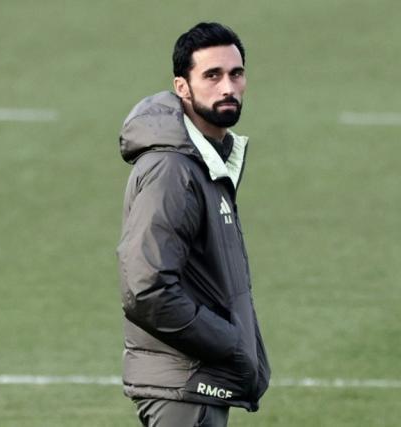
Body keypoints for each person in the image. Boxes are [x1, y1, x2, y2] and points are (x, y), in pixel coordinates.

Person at [117, 22, 271, 427]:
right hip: (184, 385)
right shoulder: (172, 171)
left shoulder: (206, 163)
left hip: (194, 383)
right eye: (212, 76)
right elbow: (146, 288)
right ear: (182, 87)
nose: (228, 87)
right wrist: (228, 341)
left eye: (236, 74)